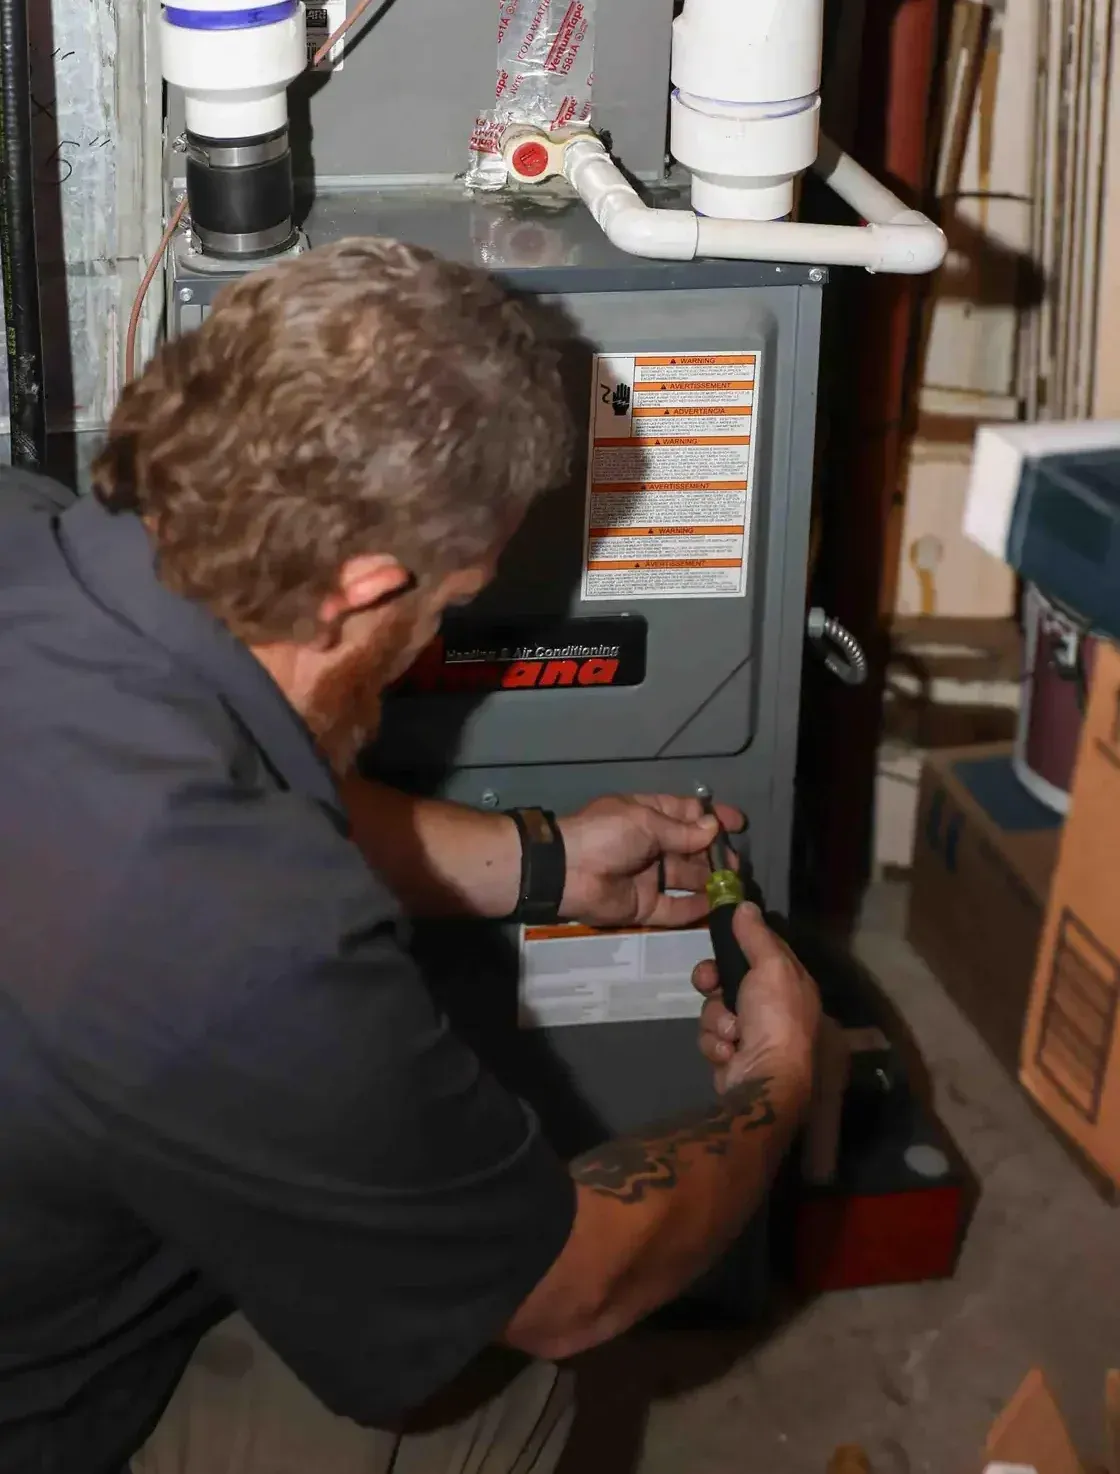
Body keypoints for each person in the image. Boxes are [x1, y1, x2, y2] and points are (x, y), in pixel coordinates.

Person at [0, 238, 820, 1474]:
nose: (434, 641)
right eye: (446, 606)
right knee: (502, 1393)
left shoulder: (30, 534)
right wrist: (777, 1078)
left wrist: (541, 861)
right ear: (365, 588)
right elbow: (568, 1286)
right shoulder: (241, 945)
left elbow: (212, 777)